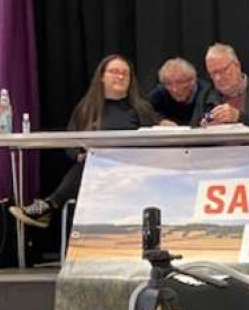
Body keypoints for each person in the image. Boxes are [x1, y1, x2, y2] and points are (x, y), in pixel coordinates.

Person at [9, 54, 160, 228]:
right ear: (102, 77)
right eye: (114, 72)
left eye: (125, 73)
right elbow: (71, 142)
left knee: (92, 163)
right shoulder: (87, 108)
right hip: (95, 172)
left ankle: (49, 206)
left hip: (132, 171)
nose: (120, 76)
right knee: (90, 163)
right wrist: (78, 155)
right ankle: (50, 207)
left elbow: (153, 140)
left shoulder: (140, 108)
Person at [192, 43, 249, 127]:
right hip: (218, 144)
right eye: (213, 73)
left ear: (237, 65)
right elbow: (194, 127)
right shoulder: (206, 95)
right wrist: (205, 124)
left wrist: (239, 116)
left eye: (222, 71)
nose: (217, 78)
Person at [148, 57, 209, 126]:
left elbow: (211, 114)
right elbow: (145, 111)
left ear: (192, 80)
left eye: (180, 82)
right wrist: (159, 120)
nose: (175, 89)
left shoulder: (206, 92)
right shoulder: (161, 92)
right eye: (169, 83)